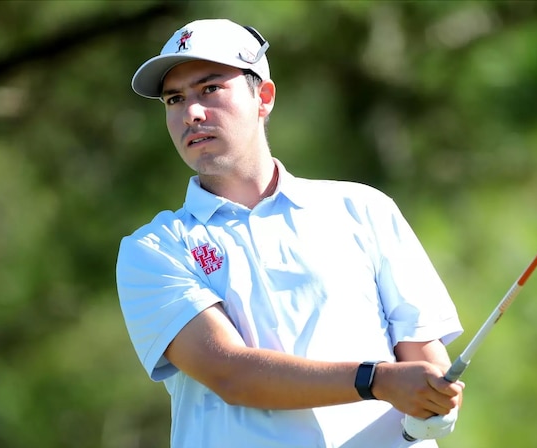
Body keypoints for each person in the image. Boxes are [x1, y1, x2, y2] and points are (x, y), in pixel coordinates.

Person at [116, 18, 465, 448]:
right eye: (174, 99)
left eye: (210, 89)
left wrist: (436, 402)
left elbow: (424, 358)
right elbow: (232, 373)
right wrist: (377, 381)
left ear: (263, 97)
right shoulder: (154, 249)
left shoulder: (364, 208)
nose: (191, 113)